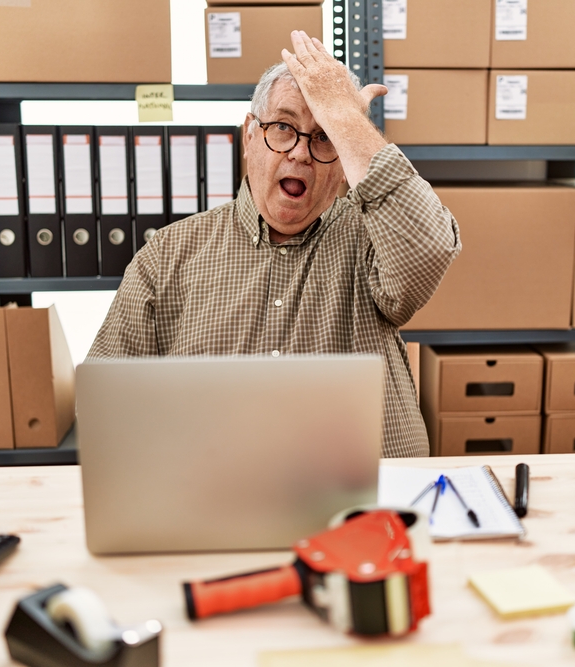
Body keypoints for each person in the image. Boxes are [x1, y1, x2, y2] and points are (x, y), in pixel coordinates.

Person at [88, 31, 460, 457]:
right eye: (283, 127)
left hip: (362, 509)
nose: (301, 153)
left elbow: (430, 245)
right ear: (250, 136)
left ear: (344, 163)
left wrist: (346, 117)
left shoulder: (375, 237)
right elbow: (104, 402)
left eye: (324, 137)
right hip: (216, 503)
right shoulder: (167, 255)